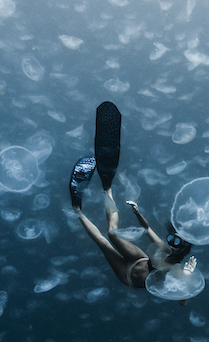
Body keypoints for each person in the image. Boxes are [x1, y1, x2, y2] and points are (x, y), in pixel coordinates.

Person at [70, 101, 198, 302]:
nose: (170, 242)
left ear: (181, 250)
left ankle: (78, 210)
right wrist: (138, 214)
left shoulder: (175, 271)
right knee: (112, 234)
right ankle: (107, 187)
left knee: (103, 242)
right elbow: (147, 230)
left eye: (175, 242)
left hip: (128, 276)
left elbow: (183, 300)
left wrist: (188, 275)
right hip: (140, 259)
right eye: (172, 238)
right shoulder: (163, 248)